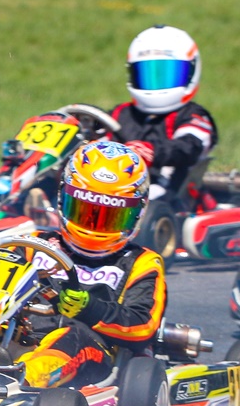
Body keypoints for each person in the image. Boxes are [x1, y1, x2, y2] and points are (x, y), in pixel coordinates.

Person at [14, 141, 166, 389]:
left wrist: (90, 309)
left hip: (90, 348)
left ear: (136, 213)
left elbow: (142, 326)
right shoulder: (31, 244)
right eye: (84, 211)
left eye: (111, 216)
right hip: (20, 335)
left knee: (72, 336)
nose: (94, 226)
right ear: (64, 199)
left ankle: (20, 381)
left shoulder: (141, 262)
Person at [107, 25, 218, 205]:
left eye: (167, 75)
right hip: (112, 191)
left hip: (169, 200)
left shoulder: (194, 116)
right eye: (147, 75)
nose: (156, 85)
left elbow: (189, 147)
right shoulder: (121, 114)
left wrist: (152, 152)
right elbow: (93, 134)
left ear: (191, 73)